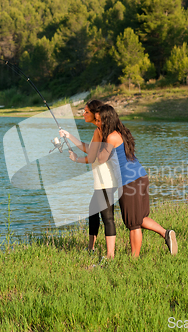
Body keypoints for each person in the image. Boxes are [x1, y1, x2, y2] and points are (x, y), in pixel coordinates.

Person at [94, 104, 178, 257]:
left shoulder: (111, 137)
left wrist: (98, 136)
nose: (97, 124)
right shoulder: (121, 133)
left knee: (133, 224)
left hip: (128, 181)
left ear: (107, 120)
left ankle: (134, 259)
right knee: (140, 218)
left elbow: (100, 158)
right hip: (140, 177)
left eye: (99, 121)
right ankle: (166, 234)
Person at [59, 100, 119, 258]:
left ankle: (110, 255)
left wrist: (77, 159)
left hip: (106, 181)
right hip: (101, 181)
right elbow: (90, 148)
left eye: (86, 112)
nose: (83, 114)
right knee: (93, 212)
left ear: (95, 114)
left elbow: (92, 157)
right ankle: (90, 248)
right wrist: (69, 136)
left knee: (107, 218)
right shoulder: (99, 130)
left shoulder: (101, 131)